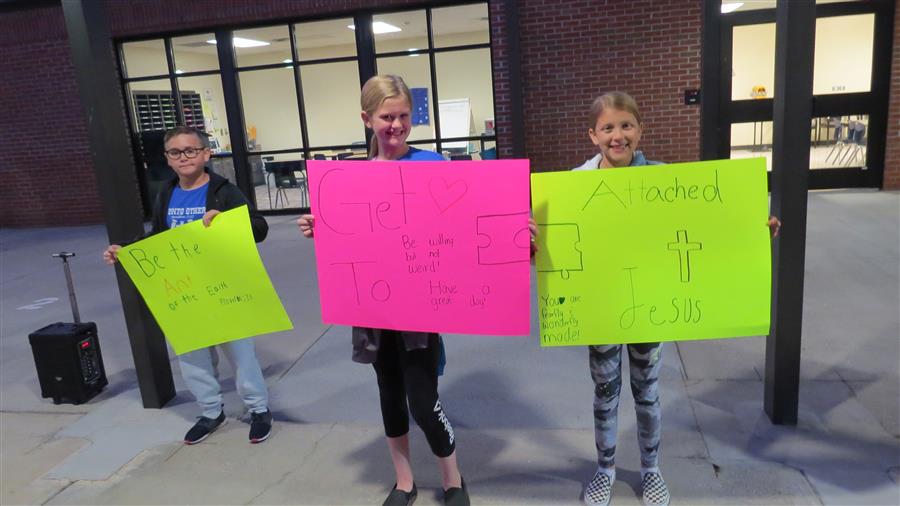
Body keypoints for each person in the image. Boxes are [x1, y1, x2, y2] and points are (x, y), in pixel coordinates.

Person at [573, 92, 780, 506]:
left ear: (640, 130)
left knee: (647, 389)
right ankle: (606, 468)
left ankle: (651, 470)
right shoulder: (575, 182)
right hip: (604, 306)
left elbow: (708, 223)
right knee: (605, 390)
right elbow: (559, 235)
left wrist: (752, 230)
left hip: (652, 305)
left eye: (626, 125)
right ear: (593, 135)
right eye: (609, 128)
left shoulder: (664, 179)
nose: (618, 135)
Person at [298, 75, 469, 506]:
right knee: (390, 396)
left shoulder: (434, 165)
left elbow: (468, 224)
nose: (396, 125)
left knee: (424, 402)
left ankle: (453, 480)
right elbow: (351, 242)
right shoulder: (348, 180)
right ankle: (405, 481)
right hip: (372, 309)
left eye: (403, 116)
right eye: (386, 117)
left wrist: (512, 231)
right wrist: (323, 229)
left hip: (420, 310)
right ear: (366, 119)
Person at [103, 126, 273, 445]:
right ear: (167, 159)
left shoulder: (224, 191)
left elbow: (259, 228)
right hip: (184, 291)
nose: (184, 157)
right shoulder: (166, 194)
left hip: (223, 289)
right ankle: (210, 411)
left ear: (206, 154)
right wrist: (127, 249)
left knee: (241, 353)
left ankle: (258, 409)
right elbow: (158, 237)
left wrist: (225, 221)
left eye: (191, 150)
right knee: (192, 356)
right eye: (176, 152)